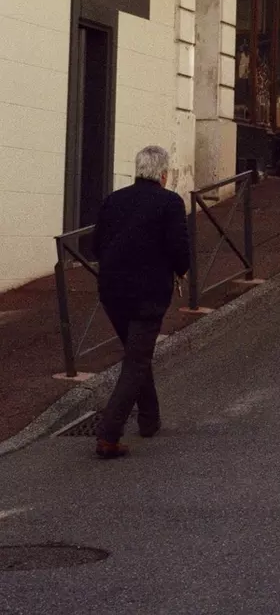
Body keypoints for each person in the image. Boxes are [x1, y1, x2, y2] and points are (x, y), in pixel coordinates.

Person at [92, 145, 190, 459]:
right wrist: (180, 270)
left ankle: (149, 419)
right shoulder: (170, 202)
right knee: (136, 361)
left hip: (111, 292)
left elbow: (96, 246)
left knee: (137, 353)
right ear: (163, 173)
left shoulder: (113, 200)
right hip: (148, 294)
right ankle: (109, 434)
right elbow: (180, 249)